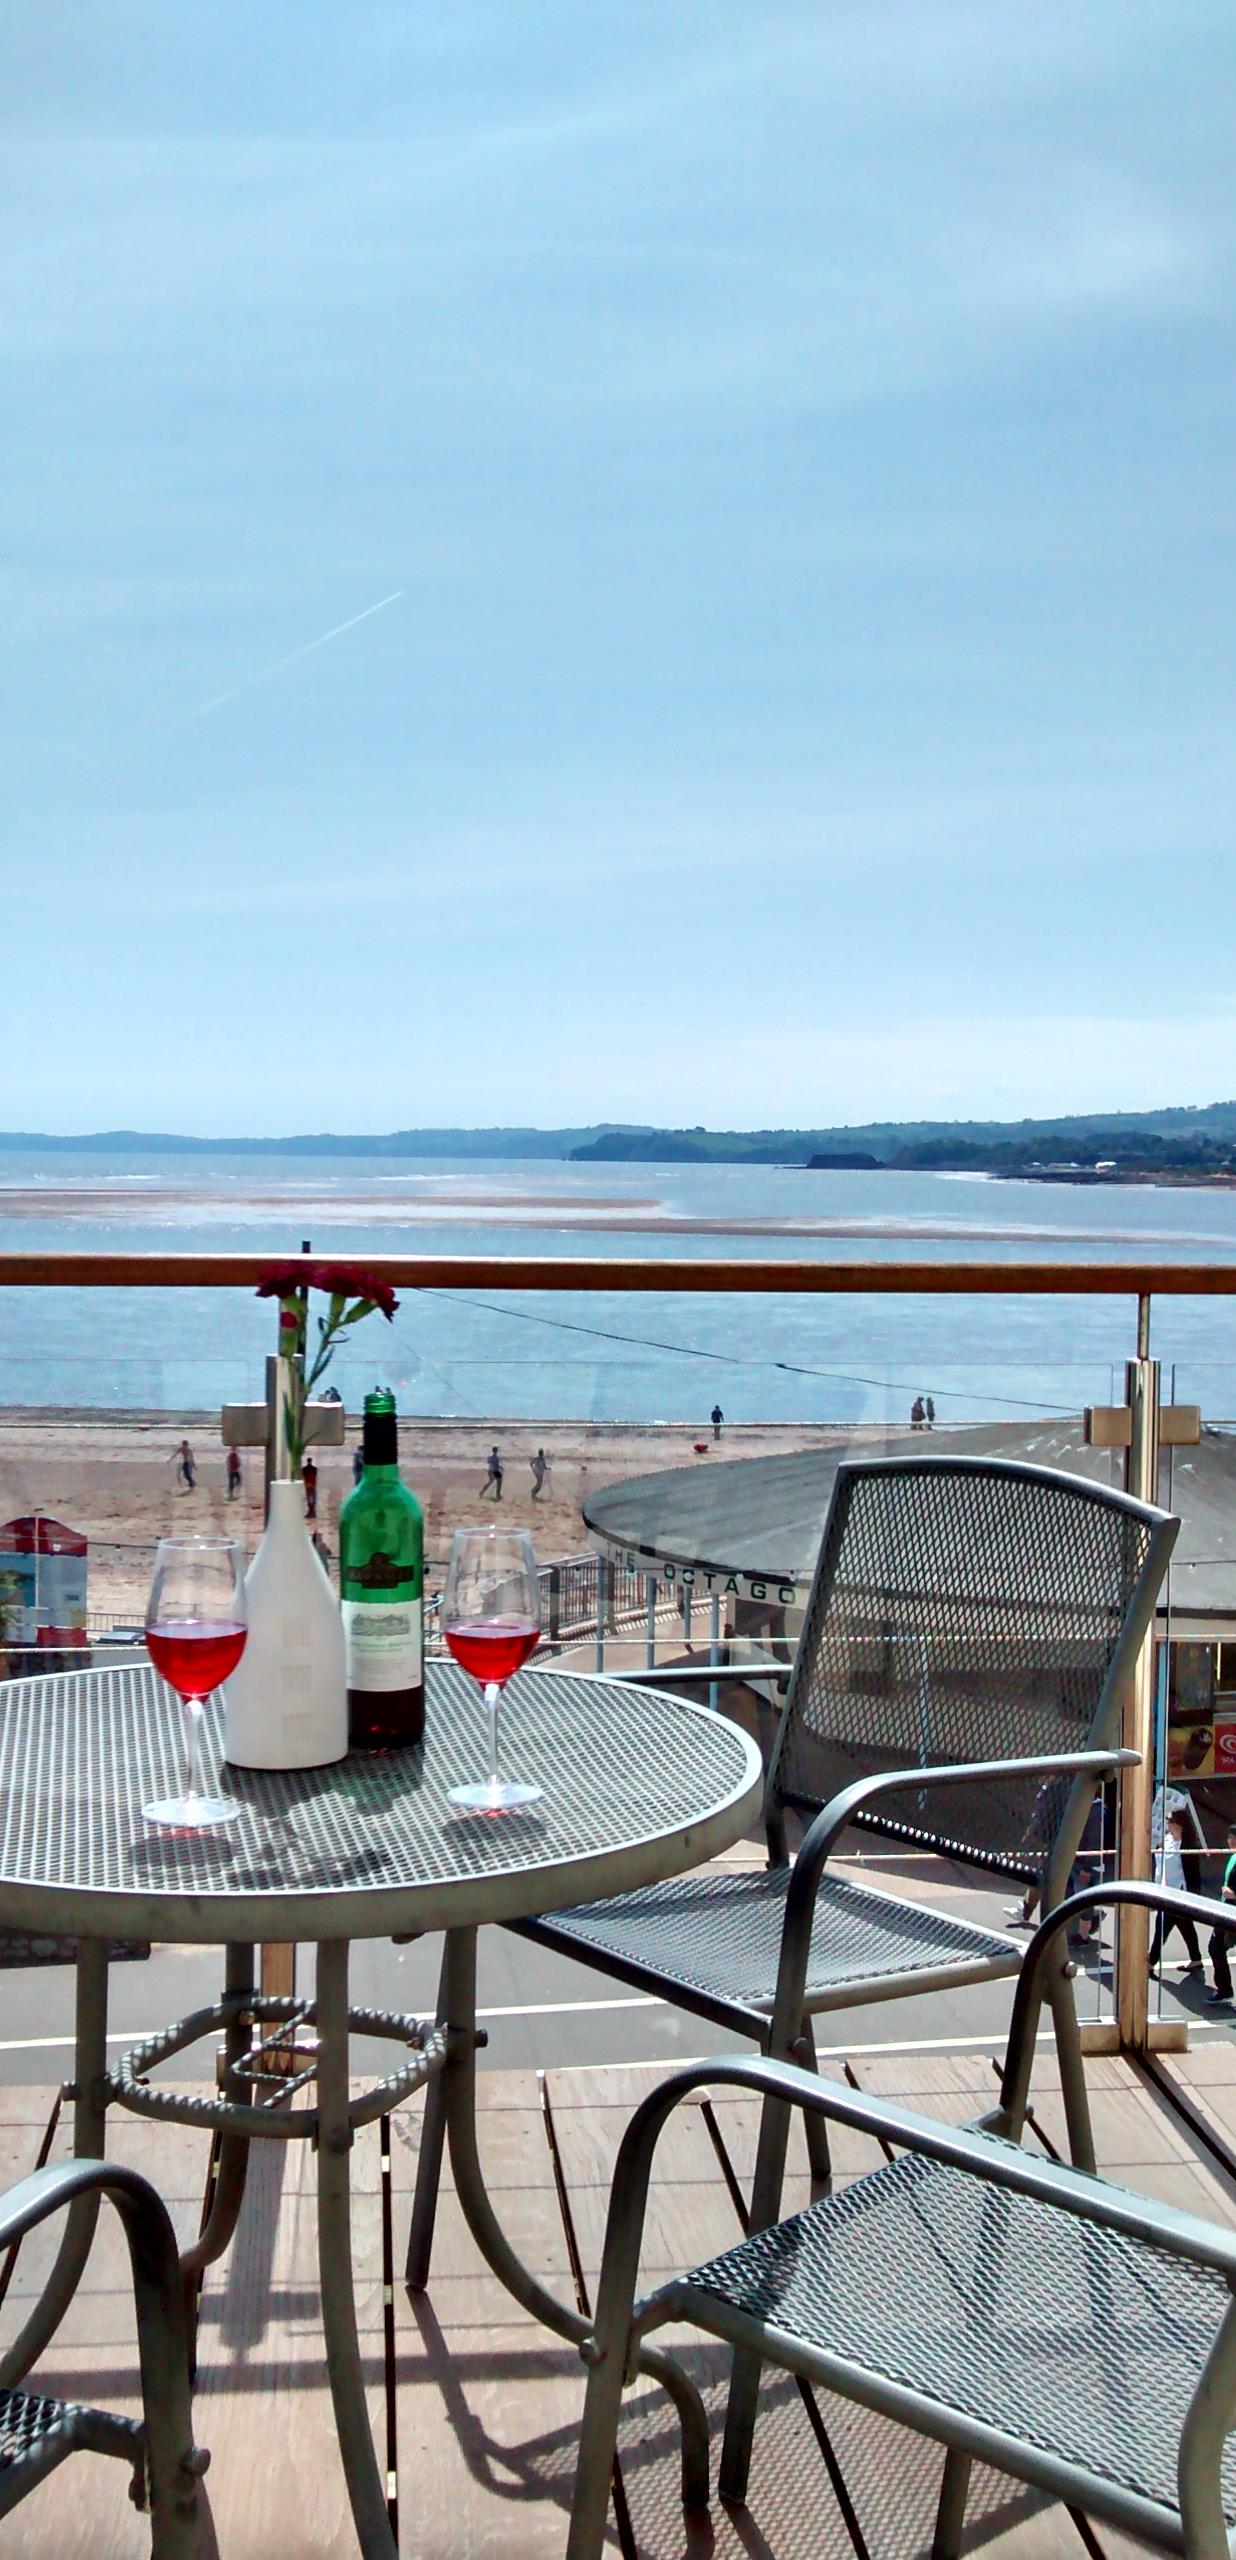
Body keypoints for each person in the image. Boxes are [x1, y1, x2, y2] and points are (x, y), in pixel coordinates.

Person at [1149, 1808, 1203, 1974]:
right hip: (1165, 1890)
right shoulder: (1168, 1840)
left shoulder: (1187, 1848)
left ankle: (1150, 1963)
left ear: (1180, 1825)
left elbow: (1194, 1876)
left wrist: (1192, 1900)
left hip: (1177, 1895)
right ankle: (1196, 1959)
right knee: (1186, 1927)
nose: (1167, 1824)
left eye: (1170, 1821)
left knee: (1161, 1928)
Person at [1207, 1825, 1236, 2005]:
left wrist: (1234, 1895)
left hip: (1232, 1910)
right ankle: (1224, 1989)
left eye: (1232, 1838)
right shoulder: (1233, 1857)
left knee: (1216, 1947)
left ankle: (1225, 1989)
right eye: (1229, 1837)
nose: (1229, 1841)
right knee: (1215, 1947)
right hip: (1226, 1910)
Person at [302, 1456, 319, 1521]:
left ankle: (310, 1510)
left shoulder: (304, 1469)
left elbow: (303, 1476)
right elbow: (315, 1475)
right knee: (313, 1497)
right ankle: (312, 1510)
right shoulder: (314, 1468)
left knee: (309, 1497)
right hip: (313, 1484)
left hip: (307, 1484)